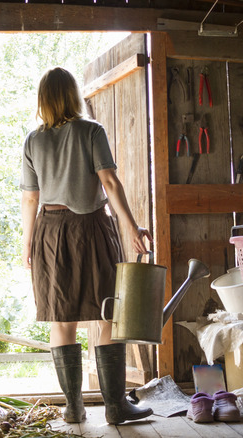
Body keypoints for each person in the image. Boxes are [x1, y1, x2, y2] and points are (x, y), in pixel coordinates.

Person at [20, 67, 153, 425]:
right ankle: (115, 407)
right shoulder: (92, 131)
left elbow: (30, 199)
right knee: (108, 312)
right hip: (93, 227)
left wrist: (28, 242)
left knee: (62, 318)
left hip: (50, 231)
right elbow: (109, 181)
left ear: (43, 100)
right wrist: (131, 227)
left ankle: (74, 408)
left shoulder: (33, 141)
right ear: (74, 95)